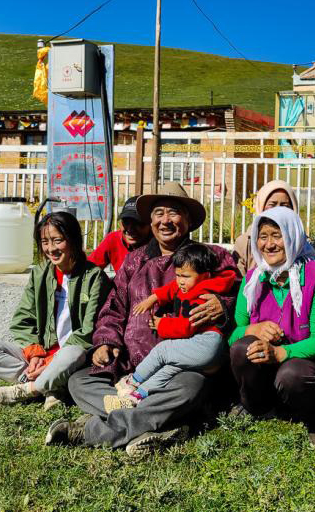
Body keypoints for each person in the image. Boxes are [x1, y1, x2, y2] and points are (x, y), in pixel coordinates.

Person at [45, 182, 239, 456]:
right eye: (158, 213)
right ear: (150, 220)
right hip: (130, 368)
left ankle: (92, 430)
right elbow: (114, 307)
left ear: (188, 220)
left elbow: (240, 293)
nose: (165, 220)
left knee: (190, 387)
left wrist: (223, 305)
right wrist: (106, 341)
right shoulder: (134, 261)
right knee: (79, 381)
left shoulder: (211, 256)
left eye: (174, 212)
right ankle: (161, 423)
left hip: (179, 370)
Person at [0, 212, 111, 408]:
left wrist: (53, 360)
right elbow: (23, 318)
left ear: (73, 240)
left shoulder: (94, 277)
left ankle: (29, 389)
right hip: (42, 354)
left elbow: (88, 330)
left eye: (58, 241)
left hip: (72, 359)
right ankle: (49, 385)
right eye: (45, 242)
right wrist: (35, 354)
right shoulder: (40, 273)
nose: (51, 249)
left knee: (72, 354)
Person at [229, 206, 315, 450]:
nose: (269, 244)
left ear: (292, 236)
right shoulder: (253, 279)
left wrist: (281, 353)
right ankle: (258, 407)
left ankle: (314, 416)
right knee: (241, 348)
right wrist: (253, 330)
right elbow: (235, 333)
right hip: (265, 368)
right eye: (263, 236)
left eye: (277, 235)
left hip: (303, 365)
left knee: (292, 374)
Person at [105, 243, 237, 409]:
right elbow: (172, 288)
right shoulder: (191, 285)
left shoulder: (201, 295)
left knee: (163, 350)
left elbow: (186, 326)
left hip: (206, 342)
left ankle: (132, 381)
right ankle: (136, 397)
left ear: (205, 275)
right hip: (202, 345)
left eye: (185, 276)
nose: (180, 281)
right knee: (169, 368)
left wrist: (161, 324)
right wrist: (153, 298)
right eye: (178, 275)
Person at [232, 180, 298, 276]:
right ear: (261, 206)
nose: (278, 209)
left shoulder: (302, 243)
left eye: (285, 205)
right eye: (272, 204)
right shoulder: (245, 242)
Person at [87, 196, 153, 272]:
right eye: (126, 222)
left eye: (137, 223)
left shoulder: (159, 243)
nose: (130, 229)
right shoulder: (113, 239)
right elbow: (89, 268)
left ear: (150, 224)